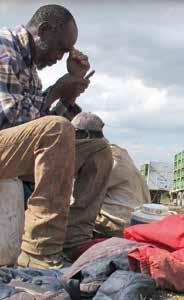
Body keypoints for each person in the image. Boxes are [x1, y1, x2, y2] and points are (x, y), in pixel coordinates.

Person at [0, 5, 111, 269]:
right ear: (44, 30)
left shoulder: (31, 72)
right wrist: (57, 89)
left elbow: (39, 124)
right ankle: (39, 250)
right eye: (60, 48)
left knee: (98, 150)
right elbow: (7, 115)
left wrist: (67, 97)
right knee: (57, 128)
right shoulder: (4, 49)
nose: (59, 57)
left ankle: (74, 237)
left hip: (11, 149)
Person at [70, 112, 150, 239]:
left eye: (74, 135)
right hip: (134, 222)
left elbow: (81, 197)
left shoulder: (106, 159)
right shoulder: (118, 153)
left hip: (120, 225)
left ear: (85, 135)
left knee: (72, 217)